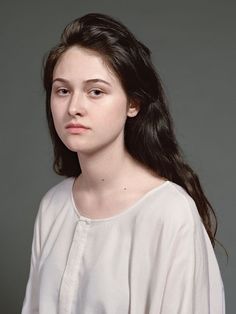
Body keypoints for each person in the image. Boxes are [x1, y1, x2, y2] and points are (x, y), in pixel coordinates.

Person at [21, 12, 225, 314]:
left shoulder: (169, 213)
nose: (74, 108)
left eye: (96, 91)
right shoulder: (53, 206)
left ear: (133, 103)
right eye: (62, 90)